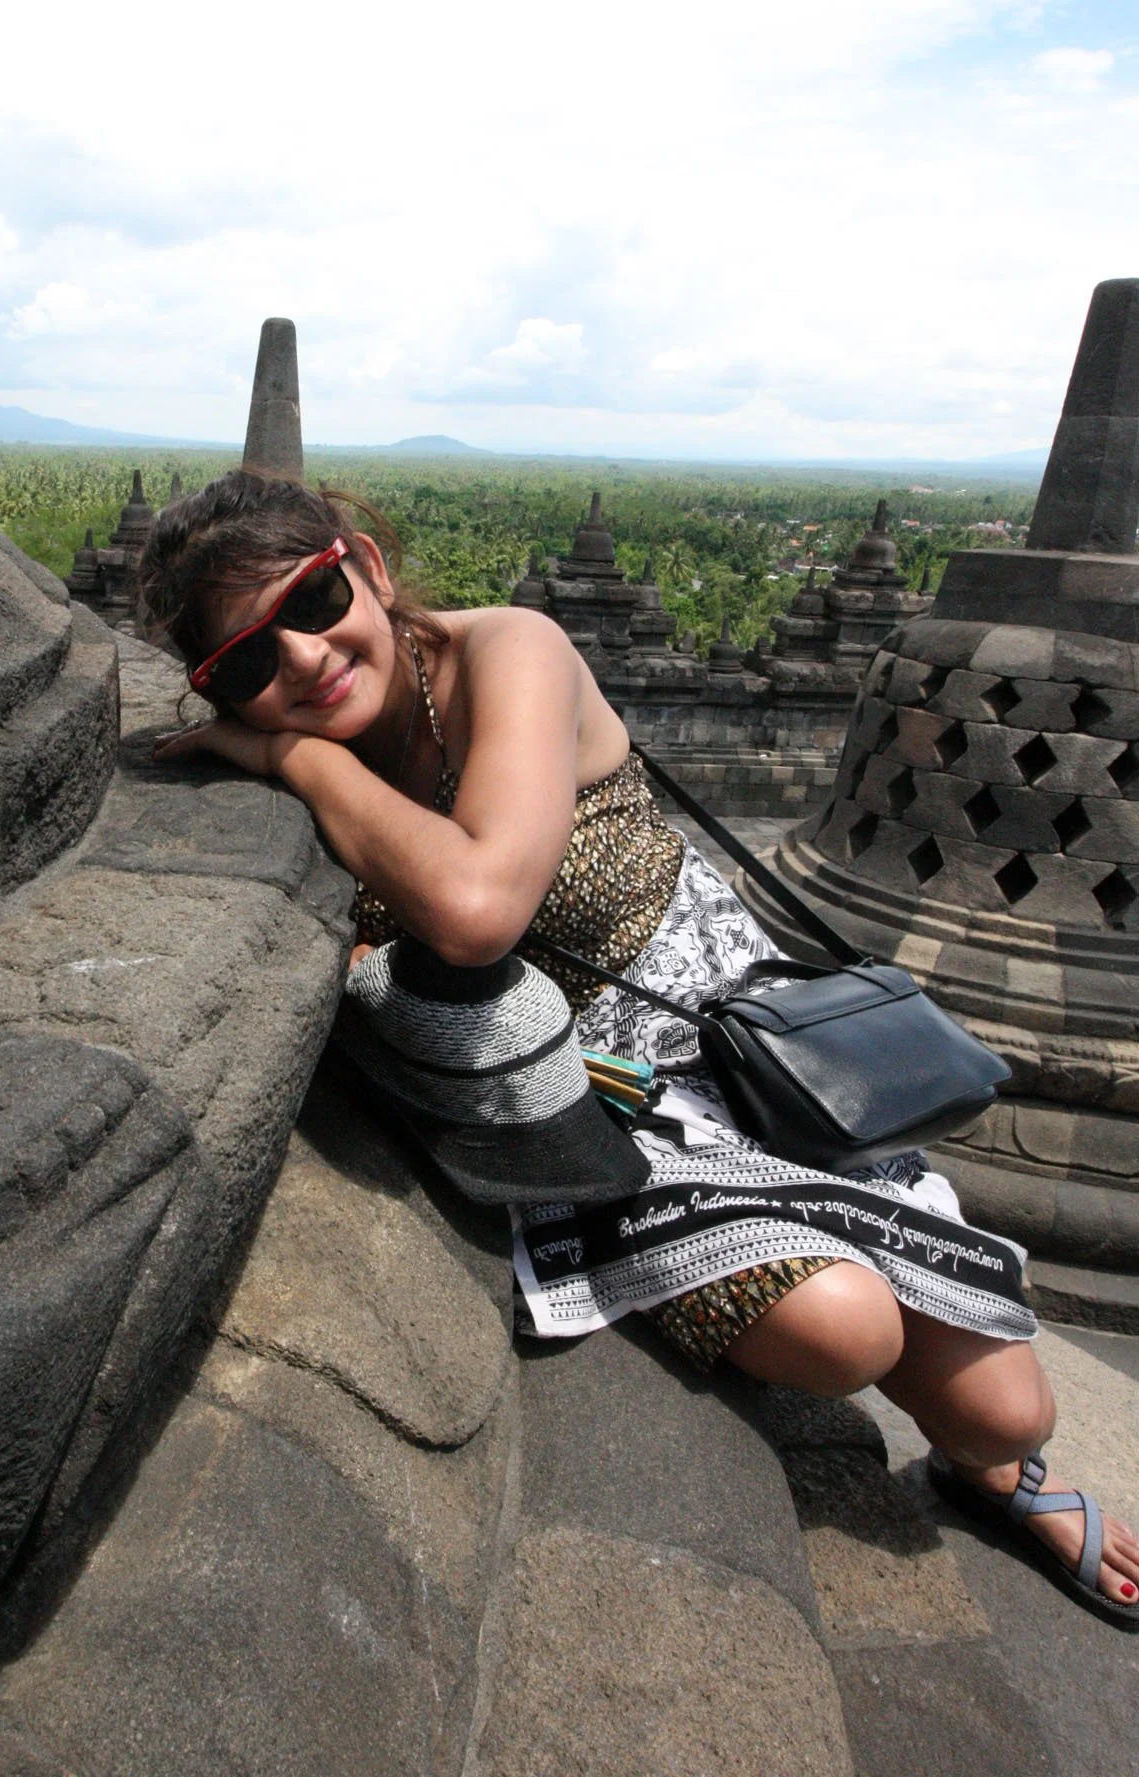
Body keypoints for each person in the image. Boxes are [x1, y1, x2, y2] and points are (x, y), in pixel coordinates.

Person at [138, 469, 1139, 1627]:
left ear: (364, 561)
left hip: (747, 1047)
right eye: (246, 666)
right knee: (846, 1329)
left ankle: (981, 1473)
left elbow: (473, 907)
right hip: (583, 1097)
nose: (302, 662)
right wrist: (306, 755)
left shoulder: (510, 650)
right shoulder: (337, 739)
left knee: (1007, 1416)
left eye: (311, 602)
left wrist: (287, 758)